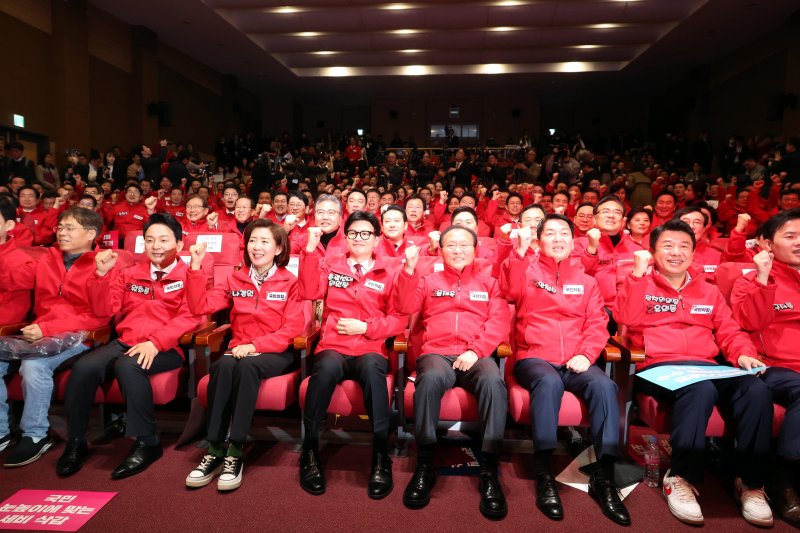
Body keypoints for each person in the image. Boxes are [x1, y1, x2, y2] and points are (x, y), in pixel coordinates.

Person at [613, 220, 774, 527]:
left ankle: (751, 483)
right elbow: (626, 317)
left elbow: (730, 331)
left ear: (694, 251)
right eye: (668, 246)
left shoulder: (709, 291)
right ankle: (682, 477)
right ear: (652, 252)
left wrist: (743, 353)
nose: (677, 252)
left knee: (756, 390)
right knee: (700, 390)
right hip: (659, 366)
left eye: (684, 246)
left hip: (707, 365)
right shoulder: (639, 283)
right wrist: (636, 275)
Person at [501, 216, 630, 525]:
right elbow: (510, 290)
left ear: (574, 242)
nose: (558, 239)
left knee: (604, 387)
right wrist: (519, 252)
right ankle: (544, 472)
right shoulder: (527, 271)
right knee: (547, 382)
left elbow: (598, 323)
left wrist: (587, 354)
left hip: (577, 360)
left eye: (564, 234)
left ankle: (604, 474)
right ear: (539, 241)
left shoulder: (586, 281)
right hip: (535, 358)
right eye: (551, 234)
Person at [58, 214, 206, 478]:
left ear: (179, 245)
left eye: (163, 240)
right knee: (84, 367)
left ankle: (147, 441)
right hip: (125, 340)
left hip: (167, 347)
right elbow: (105, 310)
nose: (156, 246)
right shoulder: (128, 273)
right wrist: (101, 276)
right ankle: (76, 441)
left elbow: (192, 315)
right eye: (150, 240)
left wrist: (156, 342)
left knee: (129, 365)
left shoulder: (190, 274)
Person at [395, 226, 510, 518]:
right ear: (441, 250)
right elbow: (404, 305)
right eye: (451, 245)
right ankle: (425, 463)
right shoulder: (428, 280)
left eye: (464, 245)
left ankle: (488, 470)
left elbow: (499, 322)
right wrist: (408, 271)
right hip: (437, 352)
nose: (457, 250)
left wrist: (476, 350)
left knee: (494, 382)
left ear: (475, 251)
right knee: (430, 379)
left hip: (476, 354)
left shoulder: (490, 283)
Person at [184, 219, 304, 491]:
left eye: (264, 241)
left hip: (276, 352)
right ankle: (215, 449)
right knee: (222, 366)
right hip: (238, 349)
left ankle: (235, 451)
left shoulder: (290, 282)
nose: (257, 247)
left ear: (278, 248)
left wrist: (255, 346)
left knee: (247, 367)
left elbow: (292, 329)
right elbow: (199, 305)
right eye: (252, 240)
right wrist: (195, 266)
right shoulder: (234, 279)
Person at [298, 211, 407, 498]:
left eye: (366, 234)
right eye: (354, 233)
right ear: (345, 237)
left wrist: (366, 327)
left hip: (371, 346)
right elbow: (309, 290)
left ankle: (381, 455)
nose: (360, 239)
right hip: (334, 344)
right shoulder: (331, 265)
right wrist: (310, 251)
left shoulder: (392, 269)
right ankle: (309, 451)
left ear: (377, 238)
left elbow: (399, 319)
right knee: (323, 372)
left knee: (373, 371)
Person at [1, 208, 110, 467]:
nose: (62, 232)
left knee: (33, 365)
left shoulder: (102, 263)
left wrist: (48, 329)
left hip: (79, 337)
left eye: (70, 228)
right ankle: (2, 431)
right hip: (39, 333)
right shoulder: (47, 259)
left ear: (91, 234)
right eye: (60, 227)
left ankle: (36, 434)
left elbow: (99, 317)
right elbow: (13, 277)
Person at [730, 208, 800, 526]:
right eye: (791, 236)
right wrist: (762, 278)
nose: (799, 242)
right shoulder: (749, 280)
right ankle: (782, 473)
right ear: (768, 244)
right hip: (772, 366)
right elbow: (747, 323)